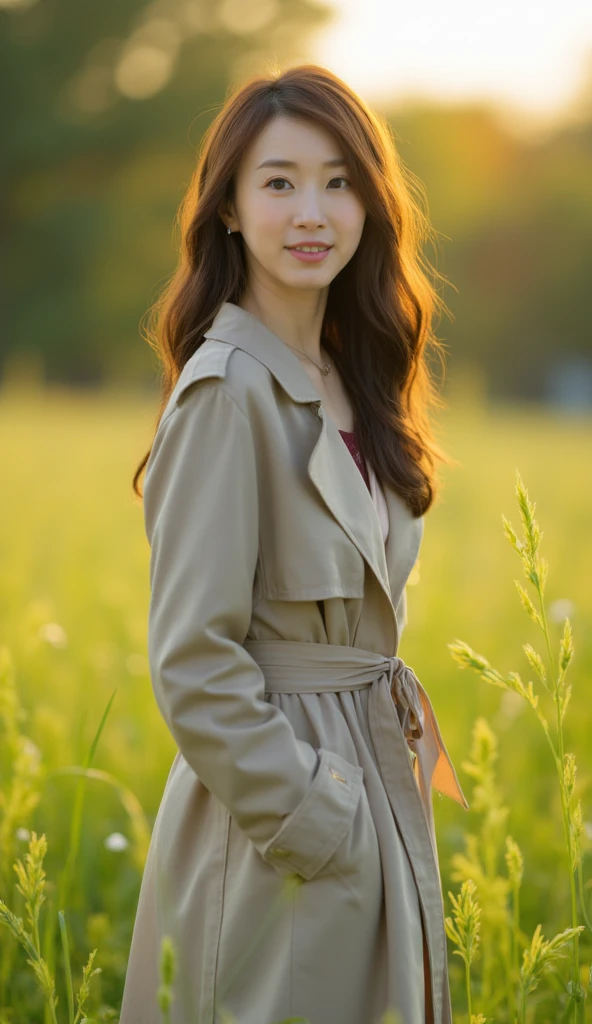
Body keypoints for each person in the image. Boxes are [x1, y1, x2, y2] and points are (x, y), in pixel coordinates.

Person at [120, 63, 469, 1024]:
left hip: (365, 782)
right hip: (277, 825)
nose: (311, 210)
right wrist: (317, 818)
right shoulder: (227, 390)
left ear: (371, 203)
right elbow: (194, 660)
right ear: (228, 208)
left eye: (339, 180)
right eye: (278, 182)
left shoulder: (354, 380)